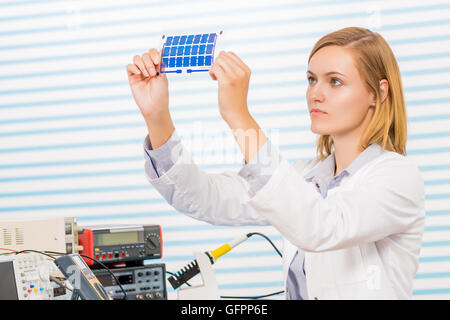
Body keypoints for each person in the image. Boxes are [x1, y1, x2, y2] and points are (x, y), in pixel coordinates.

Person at [126, 27, 425, 299]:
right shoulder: (304, 176)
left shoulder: (397, 177)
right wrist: (156, 115)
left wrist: (239, 116)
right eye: (311, 80)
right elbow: (205, 198)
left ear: (379, 92)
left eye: (335, 81)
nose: (315, 94)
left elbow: (319, 226)